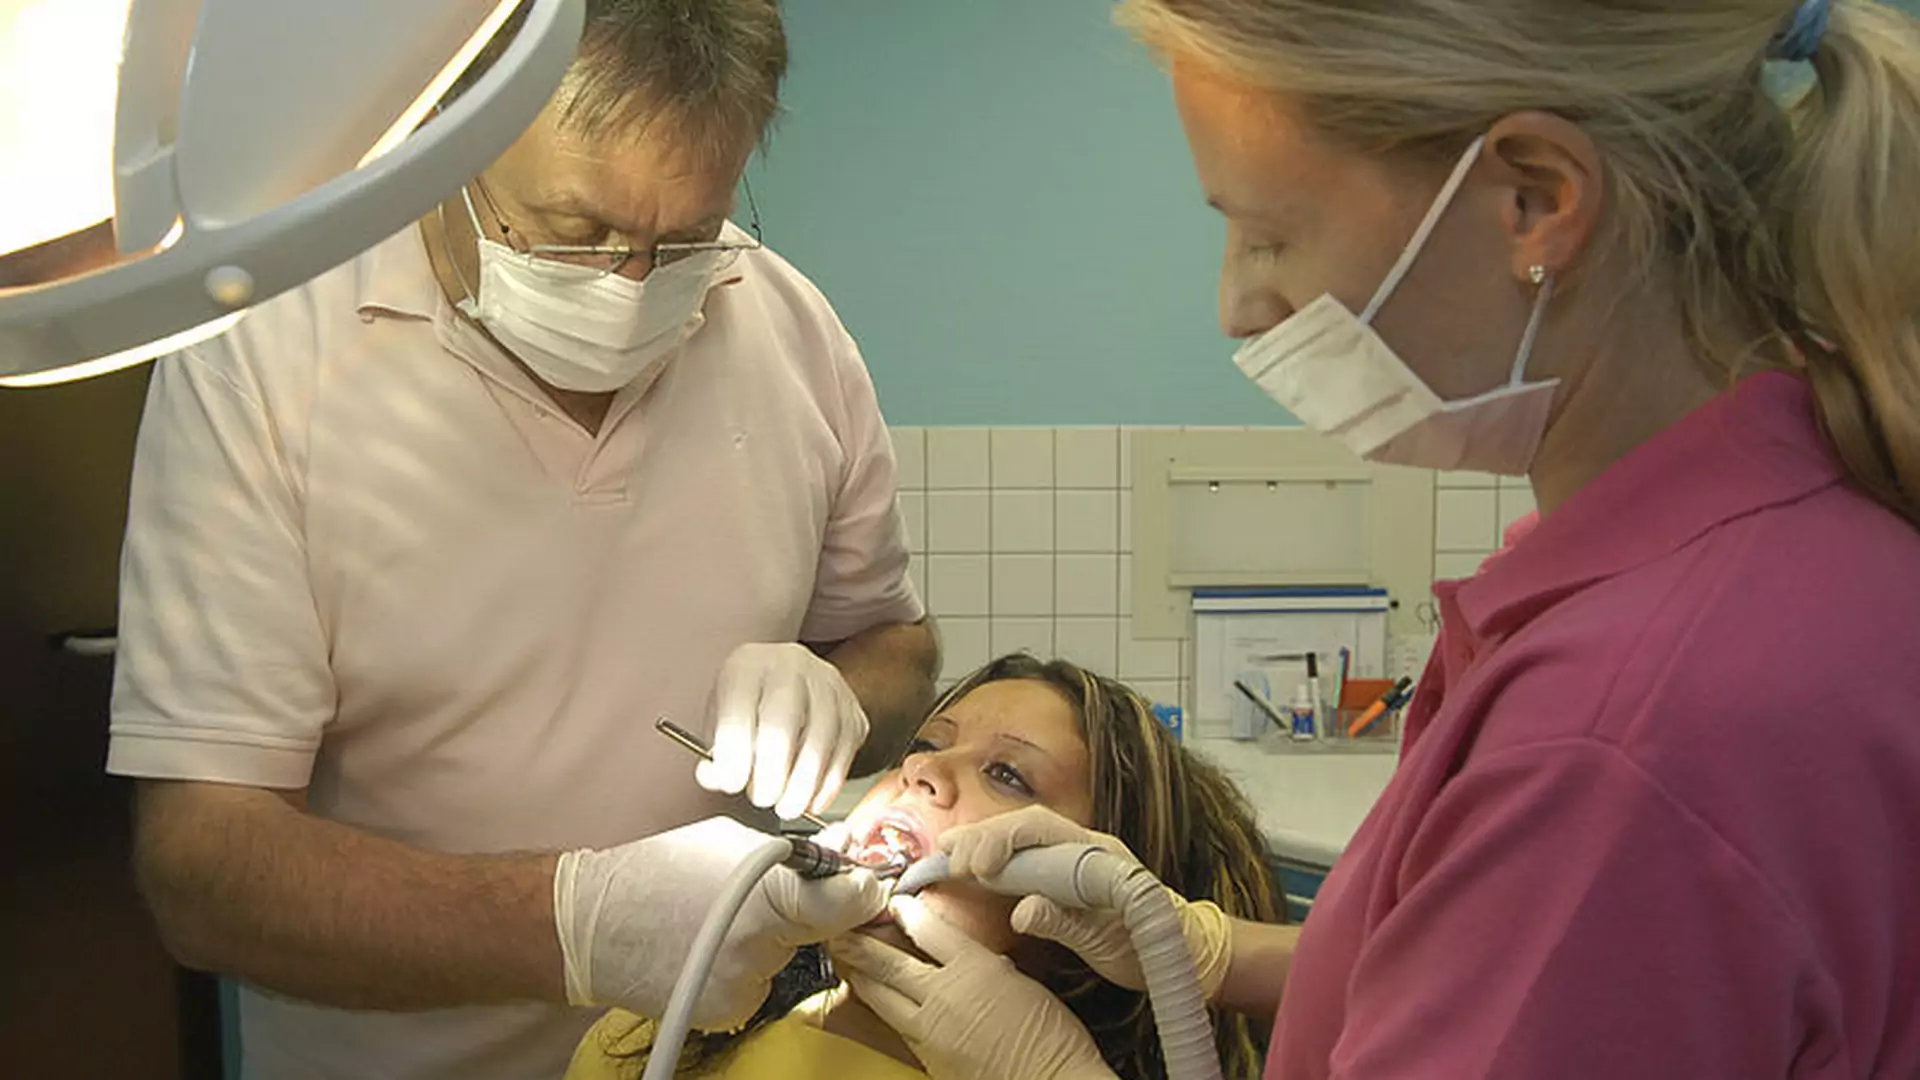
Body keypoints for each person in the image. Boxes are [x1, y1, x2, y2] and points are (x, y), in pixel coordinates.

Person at [840, 1, 1920, 1078]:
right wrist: (1210, 950)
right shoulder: (1770, 549)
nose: (1236, 303)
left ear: (1534, 199)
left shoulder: (1623, 734)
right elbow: (1502, 971)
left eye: (1269, 232)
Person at [106, 3, 937, 1078]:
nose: (631, 286)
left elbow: (895, 646)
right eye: (576, 232)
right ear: (450, 137)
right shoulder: (264, 356)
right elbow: (203, 871)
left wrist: (842, 698)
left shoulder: (790, 329)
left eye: (682, 240)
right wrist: (576, 924)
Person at [562, 654, 1285, 1080]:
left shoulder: (1035, 1062)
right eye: (930, 742)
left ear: (1082, 906)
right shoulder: (680, 1017)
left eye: (1007, 774)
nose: (924, 768)